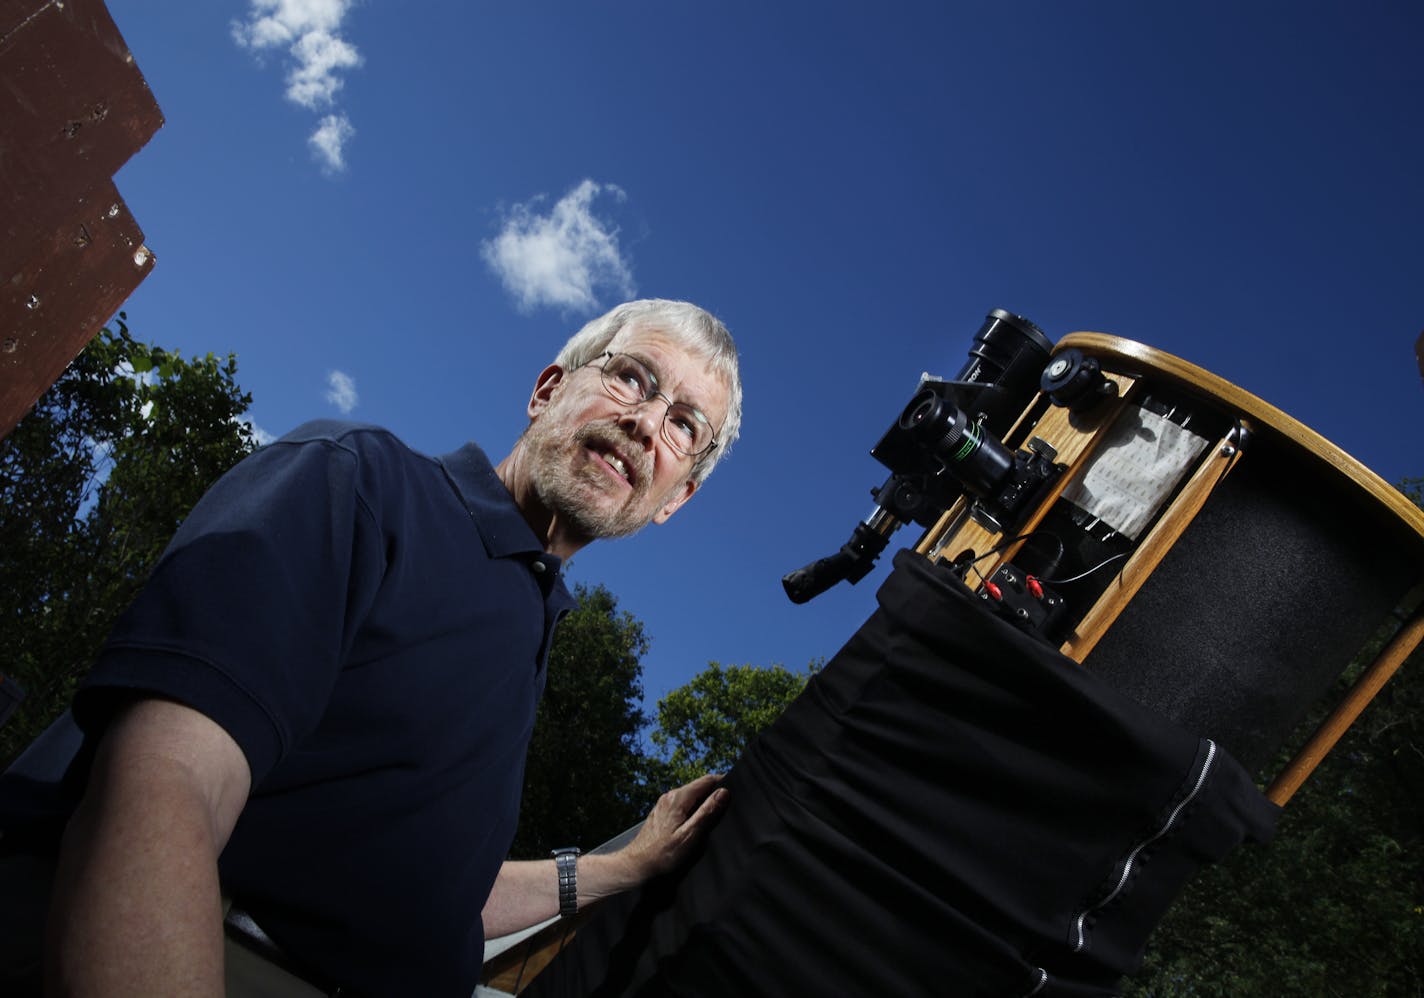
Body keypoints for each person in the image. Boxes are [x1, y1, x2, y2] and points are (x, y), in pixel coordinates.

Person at [41, 299, 744, 997]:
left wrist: (623, 867)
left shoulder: (531, 623)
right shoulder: (361, 482)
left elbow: (437, 898)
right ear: (548, 389)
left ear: (672, 499)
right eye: (632, 379)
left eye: (685, 426)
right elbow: (162, 782)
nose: (646, 424)